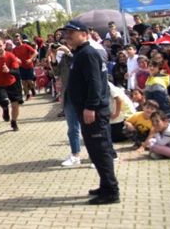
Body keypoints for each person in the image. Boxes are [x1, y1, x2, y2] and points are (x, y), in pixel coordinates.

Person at [61, 20, 119, 205]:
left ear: (85, 34)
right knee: (94, 150)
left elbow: (95, 83)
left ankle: (111, 191)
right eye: (66, 33)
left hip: (93, 111)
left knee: (100, 151)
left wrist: (91, 106)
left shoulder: (88, 54)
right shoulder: (80, 53)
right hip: (86, 110)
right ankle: (105, 184)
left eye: (72, 33)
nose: (67, 36)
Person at [12, 34, 38, 99]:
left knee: (30, 81)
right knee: (24, 82)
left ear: (21, 40)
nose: (17, 41)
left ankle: (32, 88)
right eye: (15, 40)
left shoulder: (26, 46)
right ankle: (28, 95)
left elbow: (35, 52)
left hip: (29, 66)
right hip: (21, 67)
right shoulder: (14, 49)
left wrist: (30, 59)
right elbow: (13, 57)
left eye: (18, 40)